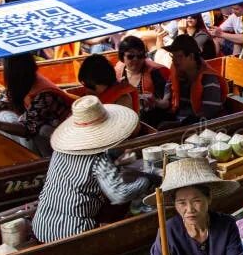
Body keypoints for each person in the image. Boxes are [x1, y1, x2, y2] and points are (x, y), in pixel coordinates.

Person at [31, 96, 152, 242]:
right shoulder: (98, 159)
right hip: (72, 234)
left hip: (41, 226)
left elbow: (79, 175)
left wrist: (115, 162)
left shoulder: (60, 151)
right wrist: (147, 180)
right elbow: (120, 194)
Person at [166, 34, 228, 125]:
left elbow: (208, 115)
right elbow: (167, 101)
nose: (174, 61)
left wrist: (176, 126)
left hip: (201, 127)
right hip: (178, 121)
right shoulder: (176, 73)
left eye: (179, 56)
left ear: (191, 57)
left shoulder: (209, 79)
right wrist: (156, 102)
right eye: (173, 56)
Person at [115, 36, 173, 127]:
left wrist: (155, 101)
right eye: (131, 56)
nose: (136, 60)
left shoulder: (155, 73)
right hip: (125, 121)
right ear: (122, 57)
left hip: (152, 121)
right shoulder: (118, 74)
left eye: (140, 56)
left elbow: (167, 105)